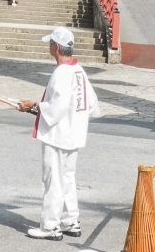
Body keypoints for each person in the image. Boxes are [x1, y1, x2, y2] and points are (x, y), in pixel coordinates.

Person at [17, 27, 98, 240]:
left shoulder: (62, 72)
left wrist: (34, 106)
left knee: (53, 179)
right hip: (74, 133)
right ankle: (70, 220)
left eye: (50, 43)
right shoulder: (79, 70)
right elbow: (92, 104)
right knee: (67, 178)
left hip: (59, 134)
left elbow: (57, 106)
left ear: (55, 46)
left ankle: (50, 225)